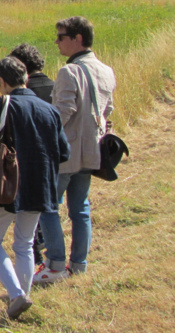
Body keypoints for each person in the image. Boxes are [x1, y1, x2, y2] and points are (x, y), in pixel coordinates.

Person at [0, 57, 70, 319]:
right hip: (39, 187)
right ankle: (22, 295)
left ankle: (17, 295)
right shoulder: (49, 109)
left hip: (7, 186)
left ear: (2, 82)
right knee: (25, 244)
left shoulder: (0, 105)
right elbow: (64, 151)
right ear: (26, 78)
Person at [35, 17, 116, 284]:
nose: (57, 42)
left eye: (61, 36)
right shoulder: (106, 70)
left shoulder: (69, 72)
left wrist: (43, 139)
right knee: (80, 209)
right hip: (91, 153)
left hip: (64, 155)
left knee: (47, 207)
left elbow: (62, 112)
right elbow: (108, 111)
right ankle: (79, 264)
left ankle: (56, 265)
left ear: (78, 38)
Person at [9, 43, 55, 264]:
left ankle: (36, 260)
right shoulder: (55, 86)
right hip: (54, 159)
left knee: (30, 218)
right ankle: (51, 250)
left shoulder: (21, 95)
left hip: (28, 161)